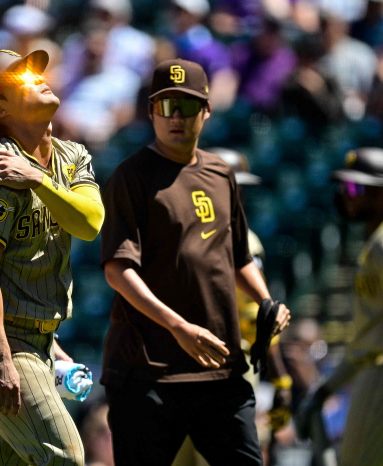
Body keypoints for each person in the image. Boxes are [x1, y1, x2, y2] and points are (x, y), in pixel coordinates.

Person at [100, 58, 290, 465]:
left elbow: (239, 256)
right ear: (151, 111)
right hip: (147, 370)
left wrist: (264, 300)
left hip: (218, 370)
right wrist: (179, 327)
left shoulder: (222, 174)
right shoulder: (130, 176)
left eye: (187, 107)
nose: (177, 118)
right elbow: (118, 270)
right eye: (166, 107)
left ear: (206, 110)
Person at [0, 49, 104, 465]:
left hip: (37, 340)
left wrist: (38, 179)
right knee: (66, 456)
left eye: (36, 71)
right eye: (20, 78)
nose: (37, 78)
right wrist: (0, 357)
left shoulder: (71, 156)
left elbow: (90, 222)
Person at [298, 148, 383, 466]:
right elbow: (368, 339)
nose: (346, 195)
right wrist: (326, 389)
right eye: (344, 187)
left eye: (355, 188)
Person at [211, 147, 292, 433]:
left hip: (232, 365)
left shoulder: (244, 241)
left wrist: (281, 378)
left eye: (237, 189)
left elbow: (258, 315)